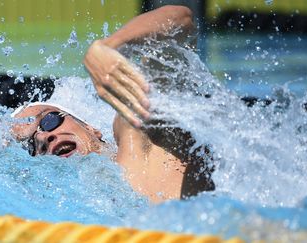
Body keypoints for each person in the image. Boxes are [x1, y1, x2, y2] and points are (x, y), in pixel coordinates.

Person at [11, 5, 215, 203]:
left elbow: (181, 20)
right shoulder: (75, 208)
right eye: (32, 145)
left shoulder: (140, 135)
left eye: (49, 120)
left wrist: (109, 46)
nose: (45, 137)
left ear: (91, 127)